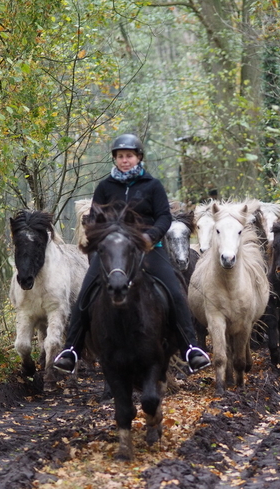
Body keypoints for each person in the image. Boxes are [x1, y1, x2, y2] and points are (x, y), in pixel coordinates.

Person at [53, 133, 211, 374]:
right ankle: (71, 350)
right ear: (115, 159)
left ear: (138, 158)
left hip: (148, 248)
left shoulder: (152, 185)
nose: (124, 160)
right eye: (120, 156)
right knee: (85, 293)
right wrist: (100, 239)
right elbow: (94, 217)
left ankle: (190, 347)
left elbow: (164, 217)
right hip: (112, 251)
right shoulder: (105, 187)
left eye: (129, 156)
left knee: (175, 291)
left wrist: (151, 237)